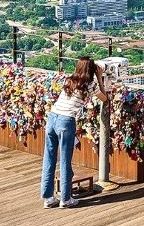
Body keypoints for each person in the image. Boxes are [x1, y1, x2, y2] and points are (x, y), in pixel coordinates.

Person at [41, 56, 108, 208]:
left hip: (52, 118)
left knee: (49, 159)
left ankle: (48, 198)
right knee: (65, 160)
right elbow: (104, 98)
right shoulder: (90, 85)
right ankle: (66, 199)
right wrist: (99, 77)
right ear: (91, 70)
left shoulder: (68, 80)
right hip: (66, 121)